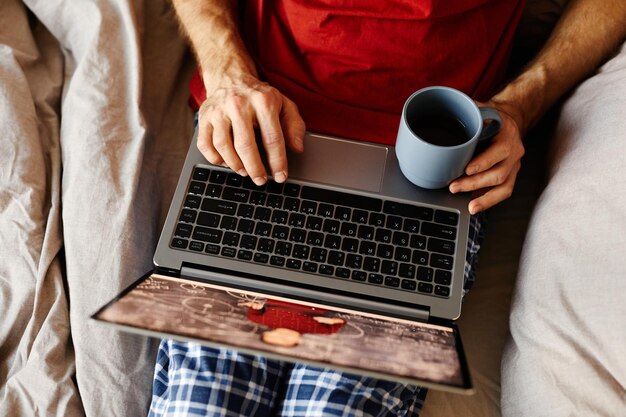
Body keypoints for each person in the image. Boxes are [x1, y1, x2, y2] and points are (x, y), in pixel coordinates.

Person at [148, 1, 626, 416]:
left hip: (434, 160)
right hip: (262, 125)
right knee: (199, 402)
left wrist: (520, 104)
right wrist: (226, 72)